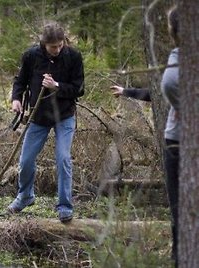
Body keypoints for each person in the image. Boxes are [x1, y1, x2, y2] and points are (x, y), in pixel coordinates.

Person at [109, 6, 179, 266]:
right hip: (175, 143)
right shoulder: (174, 60)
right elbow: (156, 95)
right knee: (178, 209)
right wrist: (126, 91)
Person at [8, 21, 84, 223]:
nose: (57, 49)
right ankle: (25, 196)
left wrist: (56, 85)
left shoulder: (73, 57)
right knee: (25, 161)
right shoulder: (32, 56)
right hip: (38, 117)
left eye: (60, 45)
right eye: (53, 47)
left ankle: (65, 206)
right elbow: (20, 81)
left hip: (64, 116)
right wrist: (16, 99)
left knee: (63, 159)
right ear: (44, 43)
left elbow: (79, 88)